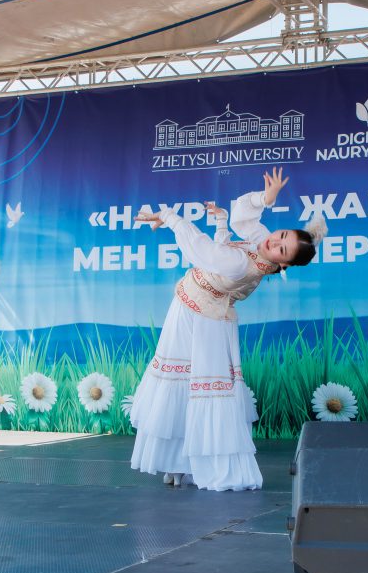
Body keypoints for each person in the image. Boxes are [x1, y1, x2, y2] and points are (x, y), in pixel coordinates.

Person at [129, 168, 324, 491]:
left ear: (284, 264)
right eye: (281, 235)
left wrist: (170, 217)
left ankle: (203, 466)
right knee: (186, 384)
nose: (274, 241)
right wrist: (262, 200)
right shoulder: (261, 249)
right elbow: (243, 221)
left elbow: (204, 251)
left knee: (196, 385)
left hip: (202, 318)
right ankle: (178, 462)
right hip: (194, 307)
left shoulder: (241, 264)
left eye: (282, 248)